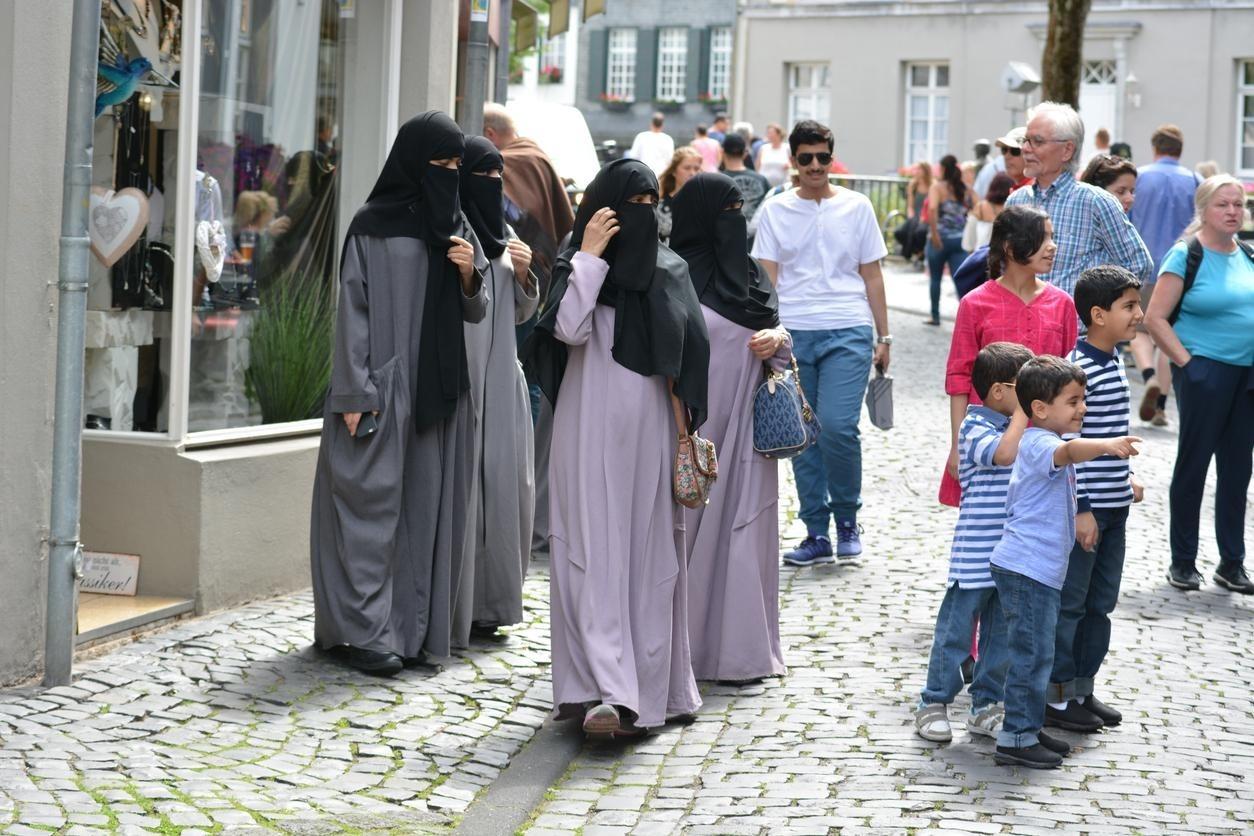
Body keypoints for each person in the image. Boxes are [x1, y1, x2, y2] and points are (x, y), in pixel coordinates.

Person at [521, 159, 710, 736]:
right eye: (632, 202)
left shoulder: (670, 270)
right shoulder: (577, 262)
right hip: (585, 426)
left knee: (645, 554)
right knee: (586, 548)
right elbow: (568, 330)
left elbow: (689, 364)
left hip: (648, 434)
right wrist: (591, 258)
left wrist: (686, 434)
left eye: (653, 201)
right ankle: (596, 689)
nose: (644, 213)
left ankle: (640, 692)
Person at [309, 112, 487, 676]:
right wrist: (355, 392)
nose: (450, 175)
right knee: (369, 512)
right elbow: (352, 312)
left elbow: (475, 307)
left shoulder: (456, 220)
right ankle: (360, 633)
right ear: (413, 160)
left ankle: (412, 634)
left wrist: (468, 275)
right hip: (382, 390)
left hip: (437, 392)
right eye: (441, 164)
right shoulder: (370, 225)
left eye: (458, 166)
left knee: (424, 512)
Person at [670, 173, 792, 683]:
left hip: (746, 425)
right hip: (694, 424)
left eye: (740, 209)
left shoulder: (751, 276)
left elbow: (781, 340)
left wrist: (777, 337)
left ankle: (741, 652)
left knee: (746, 526)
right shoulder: (672, 276)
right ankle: (687, 650)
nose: (734, 222)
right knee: (692, 530)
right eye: (725, 211)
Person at [990, 355, 1140, 769]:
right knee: (1031, 655)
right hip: (1026, 569)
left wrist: (1128, 483)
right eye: (1073, 401)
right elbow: (1071, 453)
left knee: (1040, 653)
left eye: (1083, 399)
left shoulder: (1049, 442)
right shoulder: (1039, 441)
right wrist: (1108, 446)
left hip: (1039, 571)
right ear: (1040, 409)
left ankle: (1030, 724)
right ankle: (1015, 738)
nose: (1083, 408)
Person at [752, 120, 892, 563]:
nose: (815, 165)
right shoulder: (776, 211)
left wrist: (884, 335)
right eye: (806, 158)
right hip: (792, 333)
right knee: (802, 434)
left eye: (823, 157)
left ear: (832, 157)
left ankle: (847, 518)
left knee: (837, 425)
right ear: (793, 161)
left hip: (848, 327)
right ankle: (816, 531)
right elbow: (767, 280)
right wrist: (765, 332)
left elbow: (872, 274)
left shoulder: (857, 207)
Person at [915, 342, 1034, 745]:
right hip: (974, 559)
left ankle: (987, 704)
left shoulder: (1016, 428)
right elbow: (1002, 456)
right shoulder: (975, 427)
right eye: (1025, 386)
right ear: (999, 392)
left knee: (1000, 635)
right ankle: (933, 701)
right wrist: (1022, 417)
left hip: (1010, 558)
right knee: (955, 633)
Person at [1047, 266, 1146, 735]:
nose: (1138, 314)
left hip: (1115, 505)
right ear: (1097, 315)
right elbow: (1070, 447)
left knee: (1100, 603)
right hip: (1086, 510)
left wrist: (1125, 480)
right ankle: (1057, 694)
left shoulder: (1114, 362)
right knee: (1072, 603)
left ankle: (1083, 687)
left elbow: (1107, 437)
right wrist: (1083, 505)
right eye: (1129, 306)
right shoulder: (1078, 370)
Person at [1145, 174, 1254, 595]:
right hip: (1206, 373)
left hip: (1246, 378)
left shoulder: (1246, 254)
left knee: (1237, 470)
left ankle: (1232, 562)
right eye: (1222, 205)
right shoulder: (1185, 254)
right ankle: (1184, 561)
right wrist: (1188, 365)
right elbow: (1154, 318)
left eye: (1238, 204)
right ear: (1203, 210)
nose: (1232, 212)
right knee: (1194, 465)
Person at [453, 137, 540, 644]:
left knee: (507, 492)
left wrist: (527, 275)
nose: (491, 185)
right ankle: (458, 601)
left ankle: (493, 604)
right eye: (481, 174)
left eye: (497, 175)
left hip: (503, 381)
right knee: (466, 491)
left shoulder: (504, 232)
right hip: (464, 379)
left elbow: (521, 311)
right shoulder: (450, 229)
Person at [942, 206, 1079, 508]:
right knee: (985, 527)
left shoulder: (1063, 304)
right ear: (1008, 245)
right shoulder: (975, 303)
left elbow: (1072, 383)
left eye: (1052, 237)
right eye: (1042, 238)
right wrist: (957, 446)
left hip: (1044, 445)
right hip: (988, 443)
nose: (1052, 246)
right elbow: (959, 379)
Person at [1006, 102, 1152, 297]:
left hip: (1078, 328)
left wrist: (1099, 313)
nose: (1025, 148)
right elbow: (1003, 267)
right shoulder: (1016, 202)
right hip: (1021, 325)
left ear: (1067, 150)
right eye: (1025, 140)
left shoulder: (1097, 202)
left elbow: (1138, 265)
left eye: (1037, 141)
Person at [1129, 125, 1201, 427]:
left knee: (1139, 330)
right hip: (1179, 269)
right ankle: (1159, 406)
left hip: (1142, 266)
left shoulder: (1140, 177)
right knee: (1167, 335)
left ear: (1155, 148)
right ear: (1180, 150)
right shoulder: (1195, 180)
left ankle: (1147, 377)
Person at [924, 154, 972, 325]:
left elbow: (932, 209)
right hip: (959, 239)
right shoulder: (965, 188)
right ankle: (968, 318)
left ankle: (935, 316)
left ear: (943, 168)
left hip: (940, 239)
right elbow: (976, 206)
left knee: (935, 278)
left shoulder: (937, 187)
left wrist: (935, 234)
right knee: (959, 278)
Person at [721, 133, 772, 228]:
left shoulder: (715, 181)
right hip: (756, 239)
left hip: (726, 237)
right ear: (745, 153)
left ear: (722, 152)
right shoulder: (761, 180)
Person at [656, 146, 703, 243]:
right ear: (674, 171)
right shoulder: (659, 205)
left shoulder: (705, 203)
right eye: (687, 168)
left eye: (696, 168)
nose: (692, 173)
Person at [963, 172, 1015, 253]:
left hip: (982, 256)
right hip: (1006, 258)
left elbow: (969, 235)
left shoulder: (981, 207)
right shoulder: (1013, 208)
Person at [899, 160, 932, 266]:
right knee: (900, 232)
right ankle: (918, 253)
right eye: (916, 169)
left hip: (927, 216)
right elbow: (910, 205)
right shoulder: (913, 185)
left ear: (925, 170)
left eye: (919, 169)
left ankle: (916, 254)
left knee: (920, 232)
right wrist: (911, 216)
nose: (916, 171)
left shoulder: (933, 185)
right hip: (915, 215)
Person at [628, 112, 676, 177]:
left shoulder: (641, 136)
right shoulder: (668, 139)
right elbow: (670, 159)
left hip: (644, 173)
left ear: (651, 123)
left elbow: (633, 156)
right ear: (662, 125)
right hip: (661, 174)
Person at [755, 123, 791, 187]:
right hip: (764, 185)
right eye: (768, 133)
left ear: (779, 134)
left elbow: (793, 163)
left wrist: (789, 165)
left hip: (781, 185)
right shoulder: (763, 148)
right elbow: (758, 165)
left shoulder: (787, 148)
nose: (769, 135)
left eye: (771, 133)